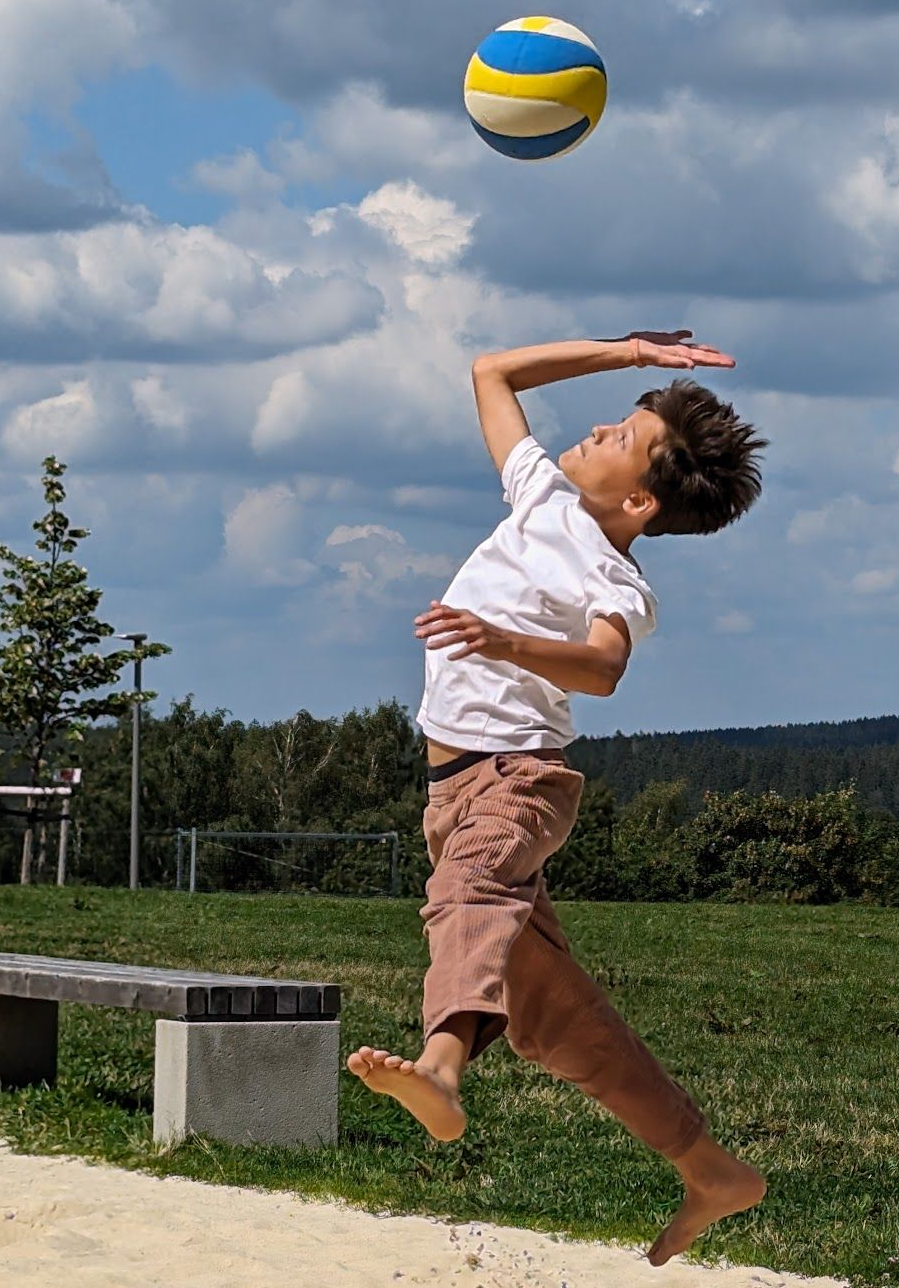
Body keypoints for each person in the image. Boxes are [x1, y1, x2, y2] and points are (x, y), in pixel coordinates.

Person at [347, 331, 769, 1267]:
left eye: (619, 433)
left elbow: (605, 667)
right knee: (554, 1020)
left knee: (467, 899)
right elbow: (492, 371)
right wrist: (626, 354)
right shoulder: (541, 493)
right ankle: (711, 1171)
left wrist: (503, 643)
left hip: (518, 781)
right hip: (454, 791)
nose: (595, 429)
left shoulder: (611, 572)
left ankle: (442, 1075)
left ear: (637, 501)